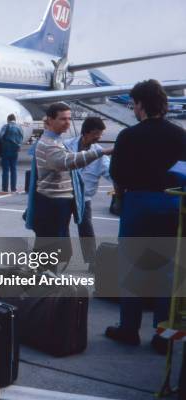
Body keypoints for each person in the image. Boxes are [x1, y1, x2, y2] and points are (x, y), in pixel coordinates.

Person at [105, 80, 186, 353]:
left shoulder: (128, 136)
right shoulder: (180, 135)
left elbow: (117, 174)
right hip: (172, 203)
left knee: (133, 268)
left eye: (134, 104)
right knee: (168, 271)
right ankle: (163, 334)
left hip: (138, 203)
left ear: (140, 104)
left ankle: (129, 329)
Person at [25, 103, 112, 241]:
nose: (67, 123)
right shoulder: (52, 144)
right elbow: (66, 161)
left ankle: (90, 259)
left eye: (69, 119)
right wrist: (103, 152)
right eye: (63, 119)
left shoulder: (58, 141)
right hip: (53, 203)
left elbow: (111, 173)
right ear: (51, 120)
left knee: (76, 236)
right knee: (52, 247)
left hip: (74, 199)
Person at [64, 117, 111, 269]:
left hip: (84, 198)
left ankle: (92, 261)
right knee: (60, 227)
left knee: (86, 228)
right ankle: (59, 257)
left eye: (101, 134)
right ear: (86, 132)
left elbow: (111, 173)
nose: (99, 137)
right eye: (96, 133)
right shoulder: (66, 145)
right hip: (64, 194)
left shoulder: (99, 153)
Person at [0, 114, 24, 194]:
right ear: (15, 119)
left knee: (5, 170)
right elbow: (22, 138)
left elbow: (0, 136)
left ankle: (5, 189)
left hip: (6, 150)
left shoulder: (6, 126)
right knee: (13, 169)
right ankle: (13, 189)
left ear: (8, 119)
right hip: (15, 151)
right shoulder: (19, 127)